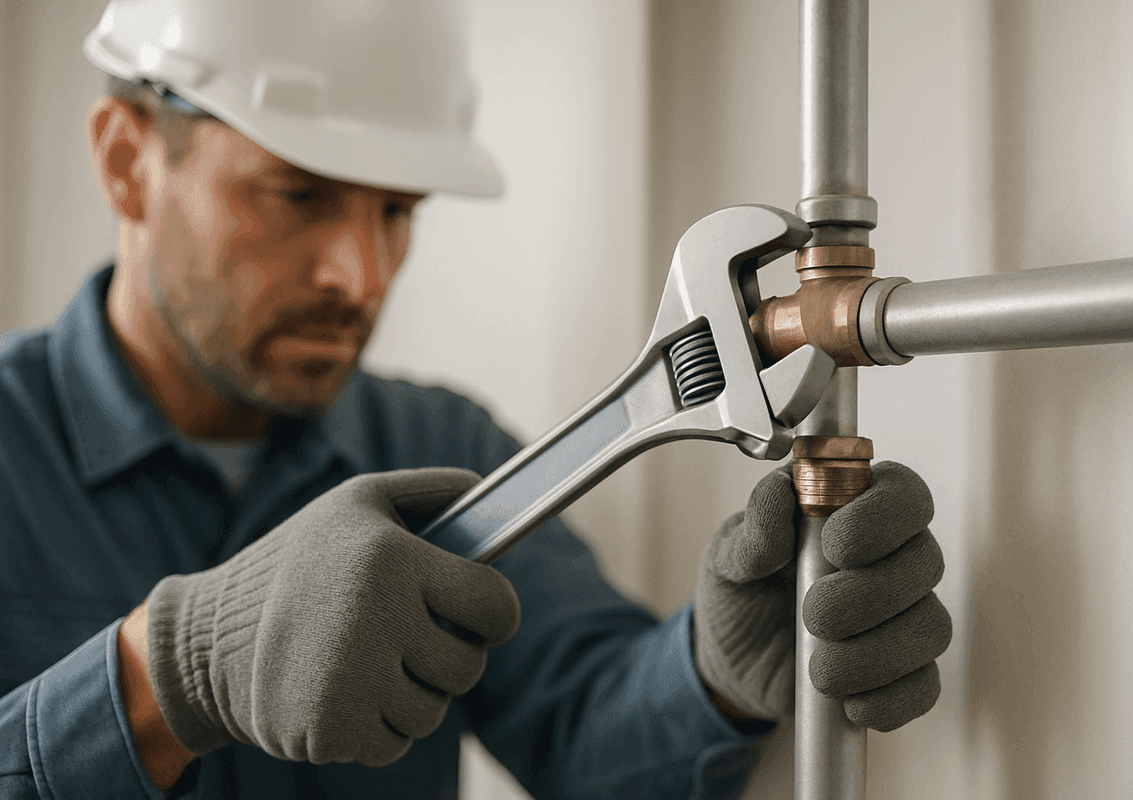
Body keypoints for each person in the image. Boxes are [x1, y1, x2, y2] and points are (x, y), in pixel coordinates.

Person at [0, 1, 952, 798]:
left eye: (396, 212)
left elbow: (585, 731)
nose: (360, 275)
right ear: (128, 162)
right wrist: (169, 676)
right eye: (299, 195)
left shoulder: (440, 446)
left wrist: (719, 676)